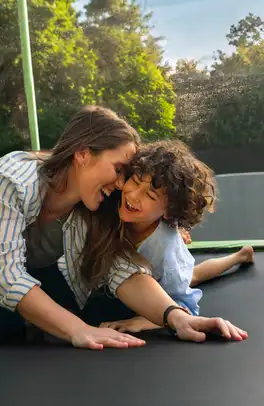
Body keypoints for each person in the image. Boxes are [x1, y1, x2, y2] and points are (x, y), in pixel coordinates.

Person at [0, 105, 247, 349]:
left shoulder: (92, 205)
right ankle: (33, 316)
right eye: (118, 169)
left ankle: (36, 316)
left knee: (96, 304)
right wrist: (75, 328)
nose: (121, 185)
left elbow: (117, 266)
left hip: (37, 270)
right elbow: (5, 275)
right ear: (83, 154)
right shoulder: (7, 181)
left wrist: (178, 318)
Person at [61, 140, 254, 334]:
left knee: (191, 277)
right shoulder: (113, 198)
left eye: (150, 196)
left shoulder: (166, 249)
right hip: (137, 274)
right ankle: (241, 254)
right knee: (192, 275)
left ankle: (239, 256)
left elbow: (186, 307)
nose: (134, 196)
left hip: (165, 273)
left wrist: (143, 321)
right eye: (135, 181)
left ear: (169, 211)